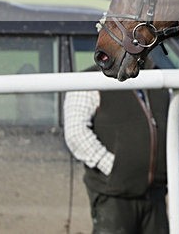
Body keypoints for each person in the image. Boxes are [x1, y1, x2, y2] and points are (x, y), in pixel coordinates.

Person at [64, 63, 170, 234]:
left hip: (155, 194)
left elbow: (178, 120)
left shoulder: (159, 75)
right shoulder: (88, 80)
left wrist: (170, 162)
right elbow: (76, 132)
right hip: (113, 194)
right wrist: (114, 166)